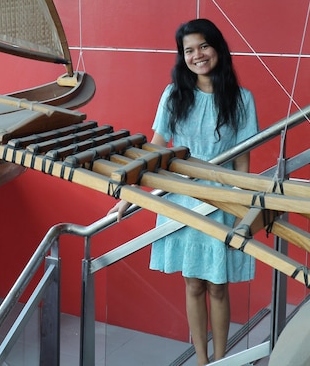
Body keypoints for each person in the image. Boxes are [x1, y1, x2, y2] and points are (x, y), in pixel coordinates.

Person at [109, 18, 258, 365]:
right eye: (188, 50)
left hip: (221, 199)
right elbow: (156, 150)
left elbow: (243, 166)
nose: (197, 55)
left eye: (203, 46)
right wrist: (128, 195)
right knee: (193, 284)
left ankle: (221, 360)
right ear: (182, 56)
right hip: (180, 196)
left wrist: (243, 210)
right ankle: (203, 360)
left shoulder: (242, 99)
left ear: (217, 47)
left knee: (218, 285)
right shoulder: (174, 94)